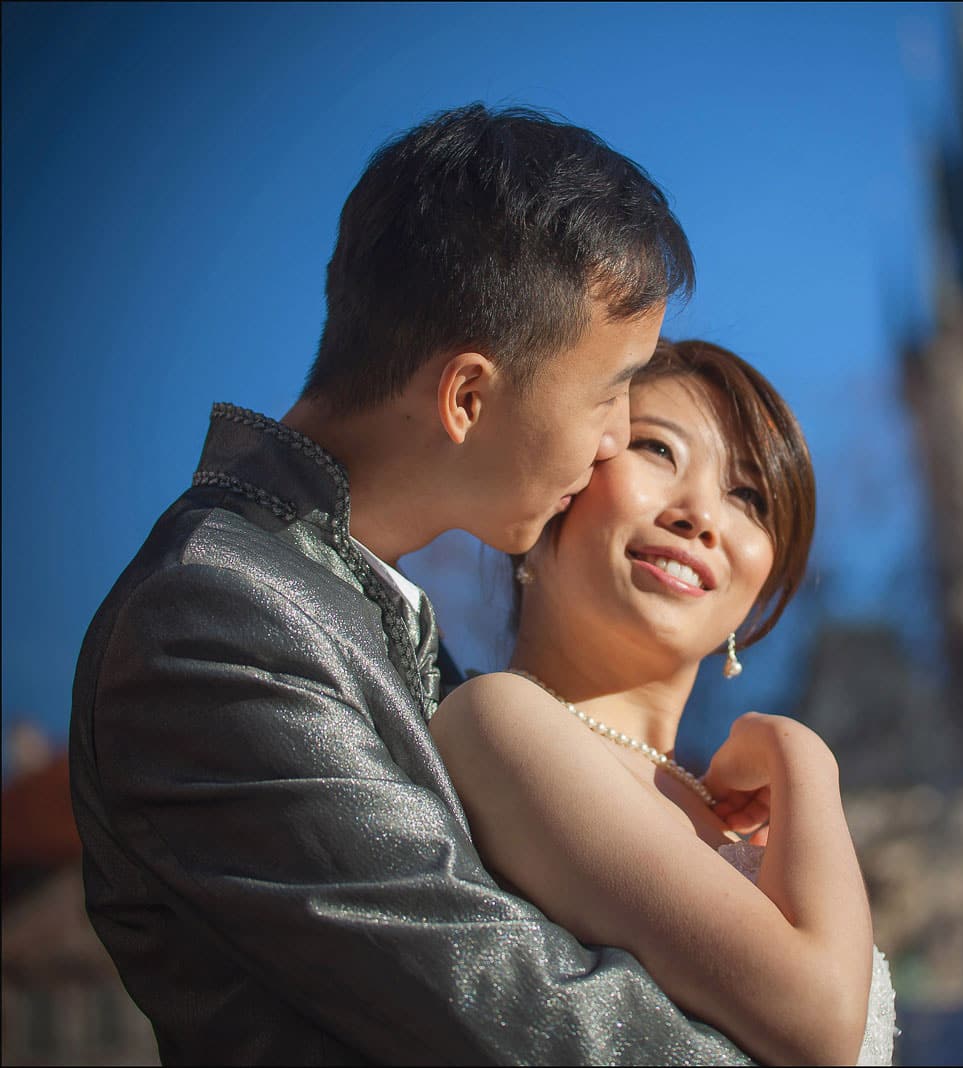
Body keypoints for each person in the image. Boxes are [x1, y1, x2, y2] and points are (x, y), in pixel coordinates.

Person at [69, 103, 756, 1064]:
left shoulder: (356, 605)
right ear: (467, 397)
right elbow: (514, 1013)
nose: (611, 442)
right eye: (609, 391)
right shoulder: (213, 623)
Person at [429, 338, 896, 1066]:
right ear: (559, 484)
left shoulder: (764, 837)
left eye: (749, 497)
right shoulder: (497, 720)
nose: (701, 515)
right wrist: (801, 756)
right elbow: (821, 1027)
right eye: (656, 450)